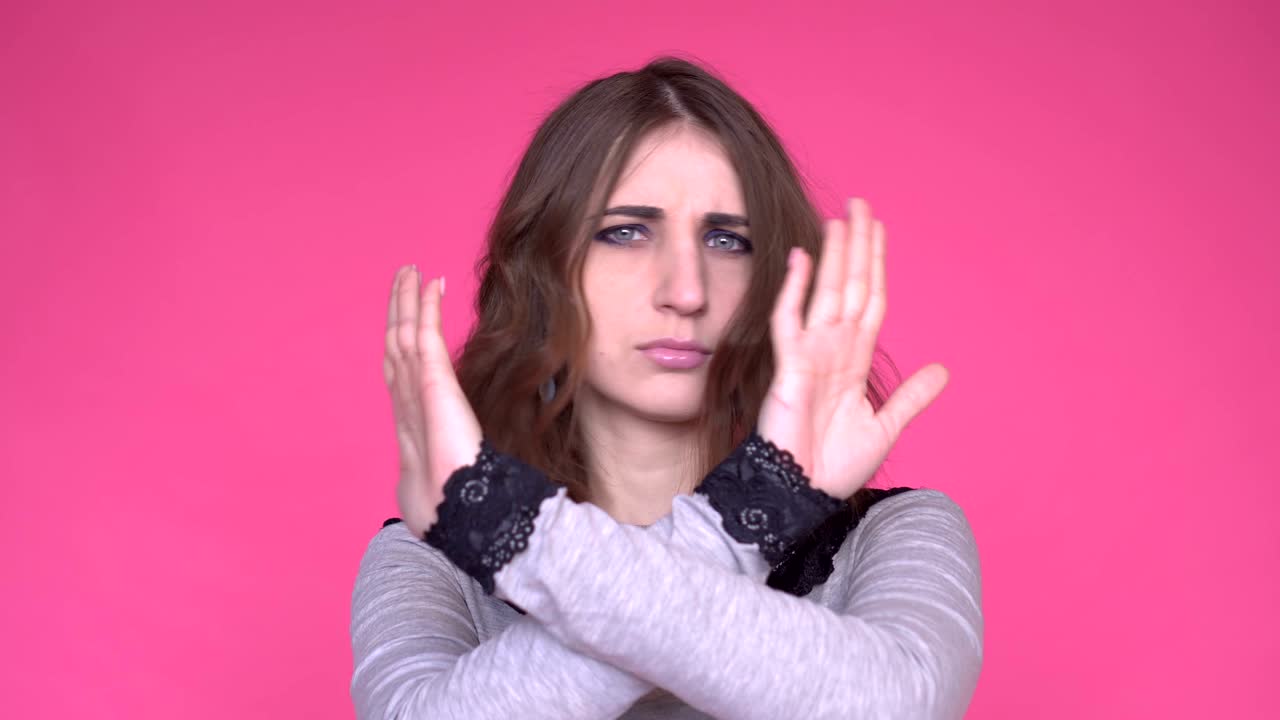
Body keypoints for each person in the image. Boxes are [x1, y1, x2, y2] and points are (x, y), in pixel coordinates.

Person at [350, 56, 983, 719]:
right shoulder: (432, 562)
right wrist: (759, 506)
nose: (686, 291)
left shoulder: (896, 533)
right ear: (540, 271)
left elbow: (892, 708)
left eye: (727, 240)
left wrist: (519, 536)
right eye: (625, 232)